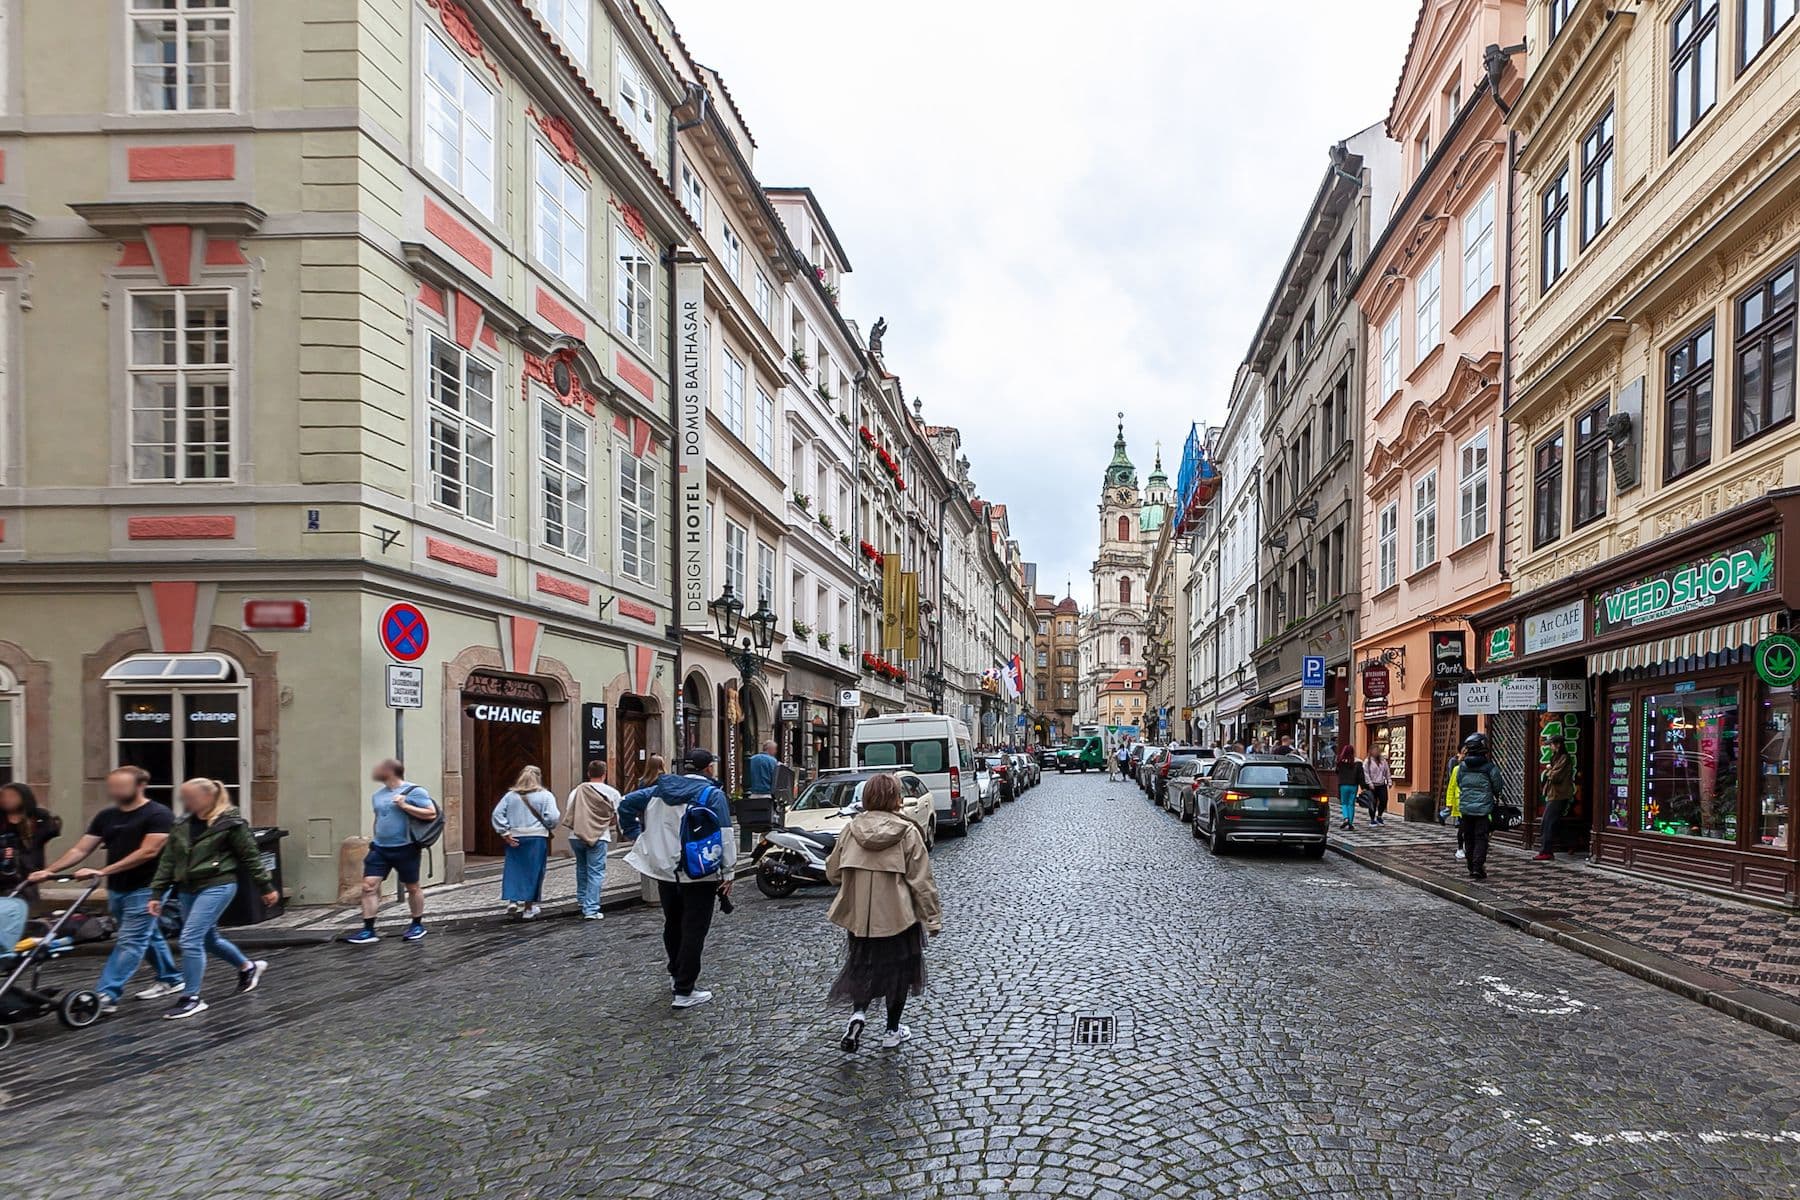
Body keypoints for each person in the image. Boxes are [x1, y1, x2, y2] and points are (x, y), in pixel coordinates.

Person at [31, 766, 186, 1011]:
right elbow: (81, 849)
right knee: (147, 933)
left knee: (131, 940)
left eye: (121, 786)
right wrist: (50, 870)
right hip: (118, 887)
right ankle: (171, 978)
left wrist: (102, 872)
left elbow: (149, 851)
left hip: (149, 886)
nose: (115, 791)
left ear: (140, 786)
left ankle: (106, 995)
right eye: (112, 786)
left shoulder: (159, 814)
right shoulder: (106, 816)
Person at [827, 772, 941, 1052]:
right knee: (898, 974)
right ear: (895, 798)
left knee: (863, 967)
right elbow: (921, 881)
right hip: (897, 918)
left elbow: (832, 872)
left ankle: (858, 1016)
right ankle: (891, 1030)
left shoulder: (851, 830)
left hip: (860, 920)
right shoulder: (908, 832)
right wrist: (932, 918)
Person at [146, 778, 277, 1020]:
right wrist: (157, 892)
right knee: (208, 939)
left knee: (190, 939)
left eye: (190, 796)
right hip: (187, 887)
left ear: (208, 796)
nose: (185, 801)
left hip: (218, 884)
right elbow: (168, 861)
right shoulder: (181, 823)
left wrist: (265, 887)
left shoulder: (230, 822)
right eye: (183, 797)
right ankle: (248, 967)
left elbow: (250, 856)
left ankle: (191, 997)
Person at [617, 747, 736, 1009]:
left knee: (673, 923)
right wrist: (728, 872)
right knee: (694, 929)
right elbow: (726, 835)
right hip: (700, 871)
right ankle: (685, 990)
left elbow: (625, 804)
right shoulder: (712, 794)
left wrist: (636, 834)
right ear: (709, 768)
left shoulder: (660, 790)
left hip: (666, 870)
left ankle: (675, 976)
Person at [346, 758, 438, 946]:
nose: (375, 771)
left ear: (391, 771)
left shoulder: (415, 791)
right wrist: (375, 838)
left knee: (412, 887)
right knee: (368, 886)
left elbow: (431, 813)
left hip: (405, 847)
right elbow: (379, 818)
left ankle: (417, 924)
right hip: (380, 848)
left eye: (380, 768)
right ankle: (368, 929)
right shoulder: (378, 795)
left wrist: (405, 806)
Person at [492, 765, 558, 920]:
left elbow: (497, 814)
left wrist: (505, 832)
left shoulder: (510, 796)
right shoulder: (545, 795)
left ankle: (512, 901)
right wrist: (548, 825)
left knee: (514, 869)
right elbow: (553, 817)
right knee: (534, 872)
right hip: (536, 837)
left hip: (515, 837)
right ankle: (528, 908)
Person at [565, 760, 620, 920]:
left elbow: (570, 812)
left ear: (588, 773)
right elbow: (616, 817)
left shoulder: (576, 791)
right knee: (596, 872)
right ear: (604, 774)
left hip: (576, 835)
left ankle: (582, 901)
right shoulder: (612, 792)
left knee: (581, 868)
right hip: (599, 836)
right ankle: (591, 909)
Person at [1451, 734, 1504, 880]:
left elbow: (1459, 783)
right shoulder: (1489, 767)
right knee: (1481, 838)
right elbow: (1498, 785)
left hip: (1466, 808)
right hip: (1483, 809)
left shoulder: (1462, 766)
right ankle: (1477, 867)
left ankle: (1470, 865)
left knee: (1468, 837)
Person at [0, 782, 60, 903]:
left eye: (12, 796)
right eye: (3, 796)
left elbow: (50, 832)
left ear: (24, 797)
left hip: (27, 876)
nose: (7, 800)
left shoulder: (38, 817)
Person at [1536, 736, 1575, 862]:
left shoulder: (1564, 758)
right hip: (1554, 794)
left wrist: (1548, 770)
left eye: (1551, 744)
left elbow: (1555, 776)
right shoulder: (1556, 758)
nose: (1550, 747)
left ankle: (1546, 851)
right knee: (1555, 821)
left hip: (1559, 795)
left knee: (1547, 822)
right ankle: (1571, 842)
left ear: (1558, 744)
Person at [743, 740, 781, 851]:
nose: (775, 751)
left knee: (754, 822)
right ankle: (765, 843)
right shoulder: (773, 761)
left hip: (752, 795)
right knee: (768, 824)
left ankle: (757, 843)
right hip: (767, 795)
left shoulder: (751, 759)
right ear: (770, 749)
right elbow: (776, 779)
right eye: (775, 749)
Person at [1335, 741, 1363, 831]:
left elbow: (1337, 772)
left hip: (1343, 785)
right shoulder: (1358, 762)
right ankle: (1350, 823)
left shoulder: (1340, 761)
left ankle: (1346, 818)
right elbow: (1361, 776)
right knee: (1351, 804)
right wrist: (1363, 786)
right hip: (1353, 785)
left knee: (1344, 803)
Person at [1363, 746, 1392, 826]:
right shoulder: (1367, 761)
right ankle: (1372, 819)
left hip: (1381, 784)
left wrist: (1389, 781)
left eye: (1377, 750)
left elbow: (1387, 771)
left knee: (1384, 800)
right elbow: (1366, 773)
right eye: (1375, 750)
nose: (1376, 752)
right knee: (1373, 802)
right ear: (1371, 751)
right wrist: (1369, 783)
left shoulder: (1383, 761)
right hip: (1372, 785)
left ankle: (1379, 816)